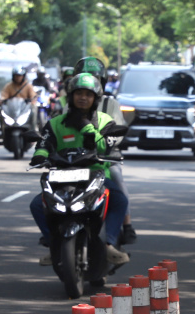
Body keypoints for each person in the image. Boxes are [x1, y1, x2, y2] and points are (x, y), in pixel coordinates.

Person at [28, 72, 129, 267]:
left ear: (95, 99)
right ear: (71, 96)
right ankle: (53, 243)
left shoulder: (104, 120)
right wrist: (40, 155)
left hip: (95, 175)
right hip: (61, 176)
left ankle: (109, 243)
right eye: (79, 93)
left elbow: (105, 147)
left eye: (88, 94)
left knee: (119, 199)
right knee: (36, 204)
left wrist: (88, 129)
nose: (83, 98)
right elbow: (44, 142)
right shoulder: (56, 122)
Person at [70, 56, 135, 243]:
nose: (85, 93)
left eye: (94, 80)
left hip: (104, 157)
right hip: (73, 158)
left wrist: (105, 144)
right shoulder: (69, 105)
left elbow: (118, 129)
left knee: (116, 177)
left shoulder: (110, 104)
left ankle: (127, 223)